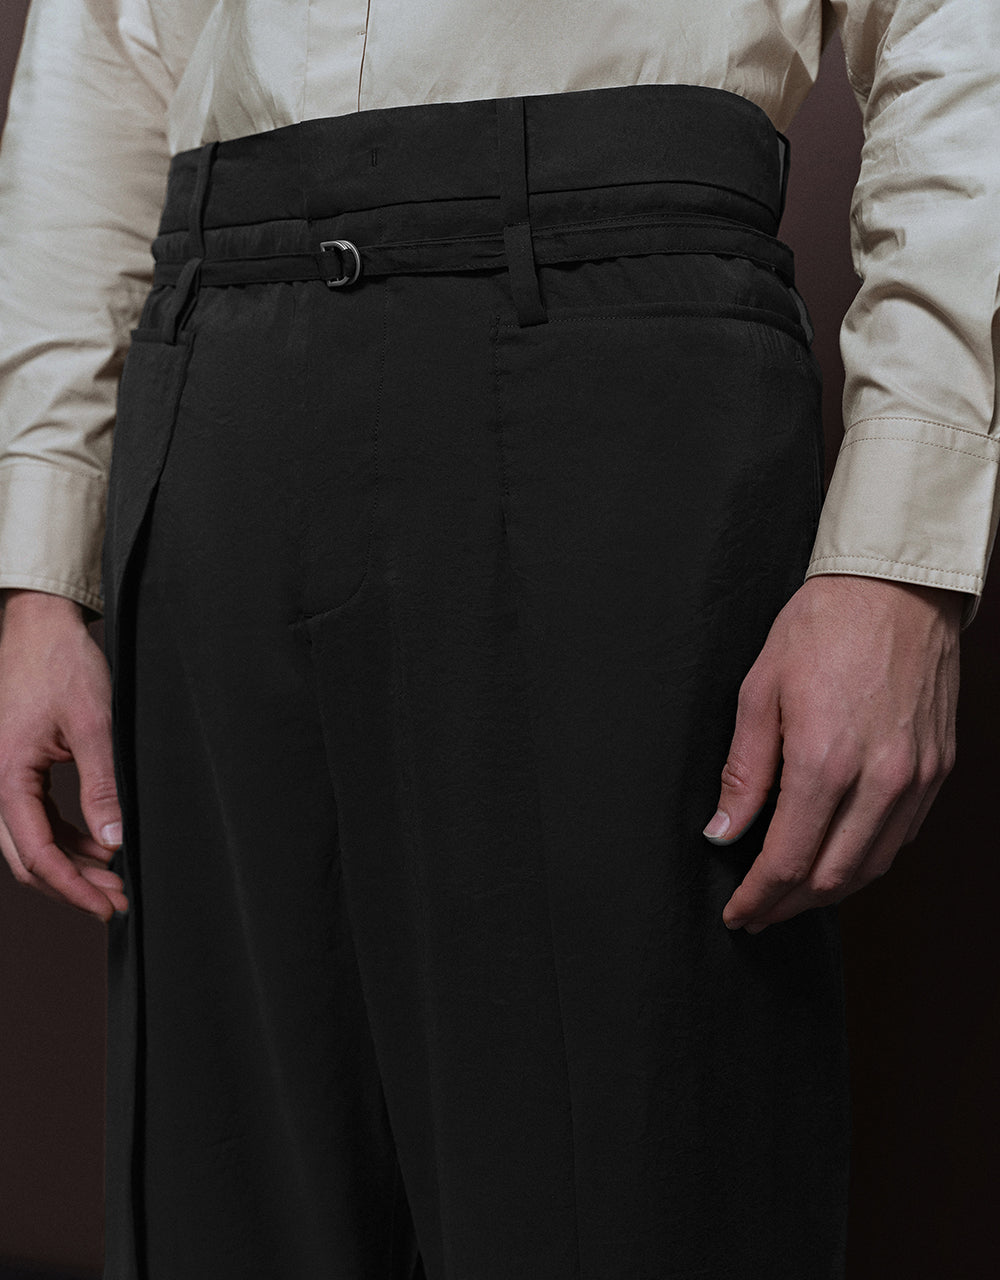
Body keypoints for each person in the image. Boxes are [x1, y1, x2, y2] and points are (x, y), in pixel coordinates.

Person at [0, 1, 994, 1277]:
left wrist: (897, 555)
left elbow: (961, 30)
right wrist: (41, 570)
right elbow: (101, 50)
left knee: (628, 1195)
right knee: (223, 1211)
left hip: (610, 340)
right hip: (214, 351)